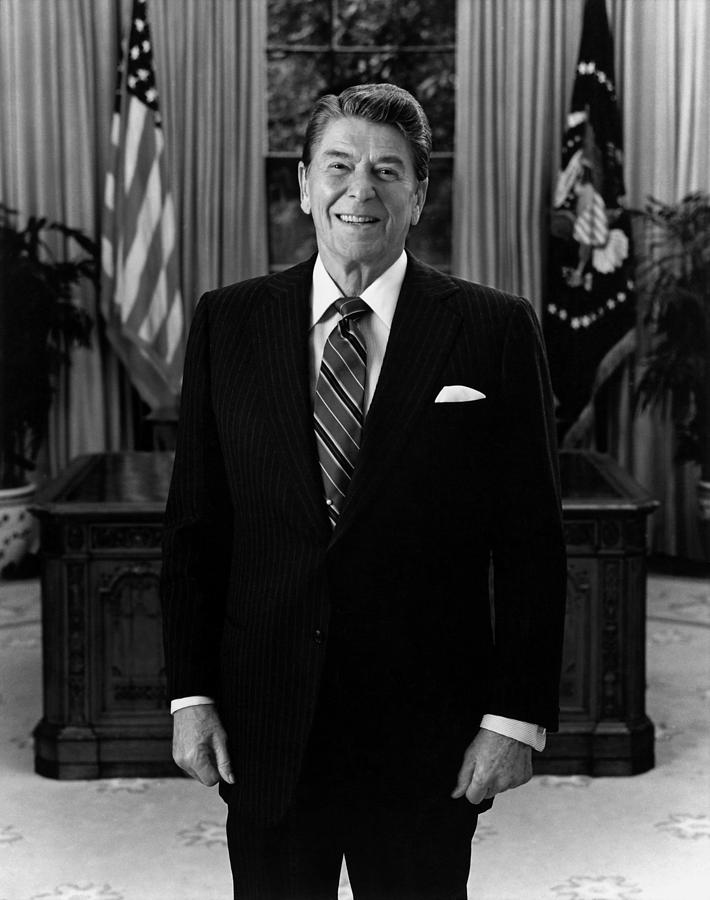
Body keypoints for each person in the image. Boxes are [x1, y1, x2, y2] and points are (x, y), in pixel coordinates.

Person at [161, 82, 567, 900]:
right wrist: (190, 694)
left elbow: (530, 545)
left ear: (420, 194)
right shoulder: (227, 323)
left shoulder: (493, 329)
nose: (361, 189)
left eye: (387, 170)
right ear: (304, 184)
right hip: (266, 721)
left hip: (427, 732)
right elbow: (197, 527)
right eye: (339, 165)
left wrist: (513, 718)